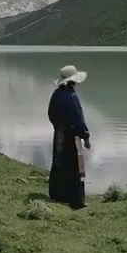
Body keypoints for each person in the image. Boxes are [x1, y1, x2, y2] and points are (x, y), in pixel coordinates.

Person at [47, 65, 91, 209]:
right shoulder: (72, 96)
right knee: (75, 166)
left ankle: (57, 194)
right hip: (72, 136)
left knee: (59, 163)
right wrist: (86, 136)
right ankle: (76, 200)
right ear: (74, 81)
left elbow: (51, 114)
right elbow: (78, 118)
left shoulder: (56, 94)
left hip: (59, 134)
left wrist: (58, 127)